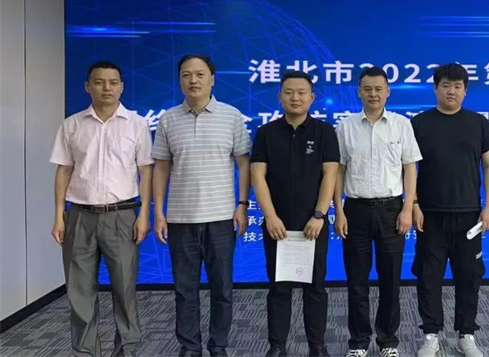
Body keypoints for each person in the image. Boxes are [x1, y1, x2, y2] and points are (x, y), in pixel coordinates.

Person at [50, 60, 153, 357]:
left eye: (113, 82)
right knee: (79, 291)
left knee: (124, 289)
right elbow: (64, 170)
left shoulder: (136, 124)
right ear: (87, 87)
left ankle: (127, 351)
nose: (106, 88)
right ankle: (85, 352)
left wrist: (144, 215)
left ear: (122, 87)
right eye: (99, 82)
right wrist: (59, 215)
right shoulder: (72, 125)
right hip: (79, 216)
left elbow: (146, 171)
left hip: (122, 215)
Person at [152, 54, 251, 357]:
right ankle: (190, 346)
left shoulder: (231, 116)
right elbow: (161, 167)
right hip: (180, 219)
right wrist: (159, 212)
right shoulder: (168, 119)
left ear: (212, 79)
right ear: (179, 80)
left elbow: (244, 163)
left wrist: (242, 204)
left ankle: (218, 345)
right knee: (185, 290)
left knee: (222, 289)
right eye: (186, 75)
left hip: (221, 218)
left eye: (199, 74)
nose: (193, 80)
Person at [410, 63, 489, 357]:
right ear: (436, 88)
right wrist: (414, 204)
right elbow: (408, 169)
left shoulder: (478, 123)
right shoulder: (419, 124)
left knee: (469, 277)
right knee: (429, 277)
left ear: (465, 91)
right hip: (430, 215)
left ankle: (466, 334)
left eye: (458, 86)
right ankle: (431, 334)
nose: (452, 91)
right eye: (446, 85)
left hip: (469, 215)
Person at [334, 67, 423, 357]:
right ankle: (359, 342)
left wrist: (408, 207)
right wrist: (338, 210)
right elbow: (338, 171)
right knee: (356, 281)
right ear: (359, 92)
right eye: (367, 89)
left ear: (387, 91)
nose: (373, 94)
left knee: (390, 281)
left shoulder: (401, 125)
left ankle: (388, 342)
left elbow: (410, 168)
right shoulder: (345, 127)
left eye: (378, 89)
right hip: (355, 210)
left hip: (392, 210)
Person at [250, 71, 339, 357]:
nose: (295, 97)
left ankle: (317, 345)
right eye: (289, 92)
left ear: (312, 98)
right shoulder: (266, 133)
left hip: (313, 224)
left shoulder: (324, 132)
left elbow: (330, 175)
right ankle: (277, 346)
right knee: (279, 288)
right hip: (277, 225)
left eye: (301, 92)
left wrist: (319, 215)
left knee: (315, 288)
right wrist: (270, 216)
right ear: (280, 97)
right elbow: (257, 176)